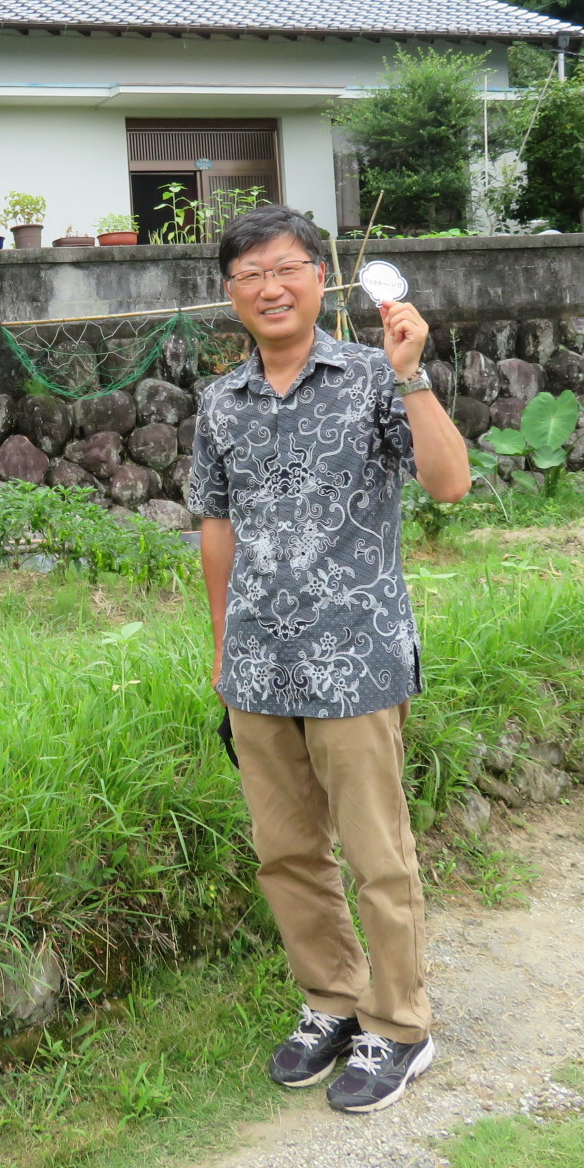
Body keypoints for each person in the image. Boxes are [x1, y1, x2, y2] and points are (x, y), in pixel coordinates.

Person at [187, 204, 470, 1114]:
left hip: (357, 658)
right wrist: (224, 647)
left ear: (321, 277)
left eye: (287, 268)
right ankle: (332, 1002)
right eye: (250, 275)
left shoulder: (373, 376)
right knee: (286, 853)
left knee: (377, 854)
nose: (270, 287)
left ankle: (401, 1025)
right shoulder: (220, 402)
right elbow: (217, 527)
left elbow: (450, 484)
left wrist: (413, 374)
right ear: (231, 295)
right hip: (259, 665)